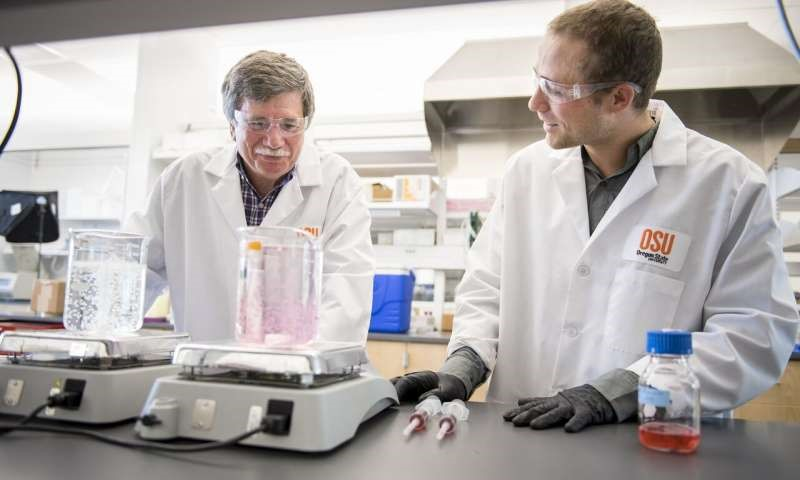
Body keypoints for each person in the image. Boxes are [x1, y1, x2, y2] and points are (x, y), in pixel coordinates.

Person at [392, 0, 799, 433]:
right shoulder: (526, 172)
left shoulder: (728, 185)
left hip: (646, 441)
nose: (534, 103)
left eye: (556, 90)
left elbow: (753, 337)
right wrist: (465, 364)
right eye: (537, 81)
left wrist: (620, 390)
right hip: (517, 440)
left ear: (620, 97)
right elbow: (487, 290)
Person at [126, 50, 374, 343]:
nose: (274, 140)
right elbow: (133, 272)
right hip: (203, 370)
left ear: (305, 124)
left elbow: (346, 295)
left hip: (298, 377)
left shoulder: (338, 183)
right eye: (257, 123)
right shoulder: (183, 179)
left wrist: (298, 367)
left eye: (289, 125)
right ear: (232, 125)